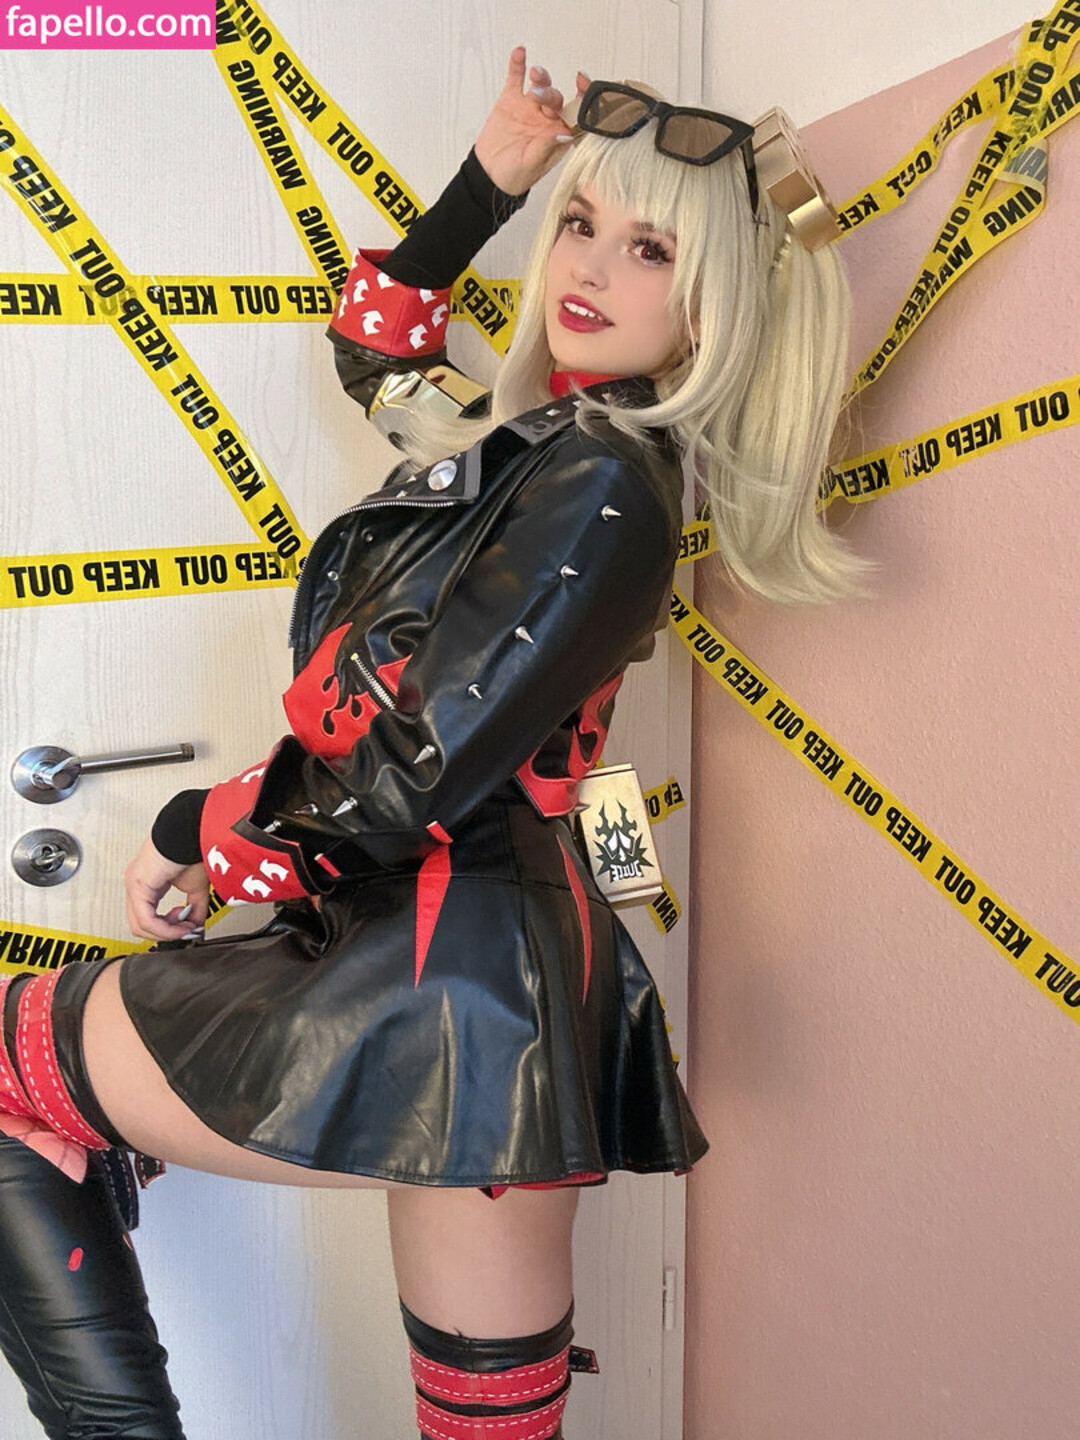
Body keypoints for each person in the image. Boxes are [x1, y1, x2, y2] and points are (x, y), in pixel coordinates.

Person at [0, 48, 866, 1440]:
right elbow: (381, 352)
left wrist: (199, 833)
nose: (589, 266)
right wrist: (487, 186)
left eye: (650, 250)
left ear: (713, 308)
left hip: (442, 969)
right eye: (580, 222)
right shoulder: (536, 448)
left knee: (11, 1069)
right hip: (482, 987)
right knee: (489, 1418)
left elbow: (410, 768)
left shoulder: (600, 482)